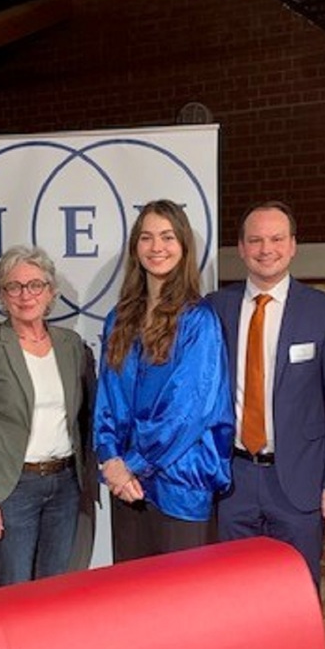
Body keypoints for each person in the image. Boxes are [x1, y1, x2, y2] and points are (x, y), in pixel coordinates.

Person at [208, 200, 325, 590]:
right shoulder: (214, 309)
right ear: (240, 248)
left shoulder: (323, 311)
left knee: (297, 592)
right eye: (255, 240)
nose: (265, 249)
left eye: (276, 239)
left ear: (292, 246)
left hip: (299, 483)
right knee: (233, 591)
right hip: (232, 480)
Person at [94, 199, 233, 561]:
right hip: (127, 486)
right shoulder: (118, 319)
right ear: (135, 248)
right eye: (147, 237)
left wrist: (133, 464)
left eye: (168, 237)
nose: (157, 247)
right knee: (133, 602)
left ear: (184, 247)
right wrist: (110, 459)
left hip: (179, 484)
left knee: (181, 606)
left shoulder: (199, 320)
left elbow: (187, 410)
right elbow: (107, 399)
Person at [0, 246, 88, 587]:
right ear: (1, 294)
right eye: (14, 286)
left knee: (53, 592)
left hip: (64, 487)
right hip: (11, 490)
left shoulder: (70, 345)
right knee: (12, 593)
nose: (25, 295)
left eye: (35, 285)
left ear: (50, 292)